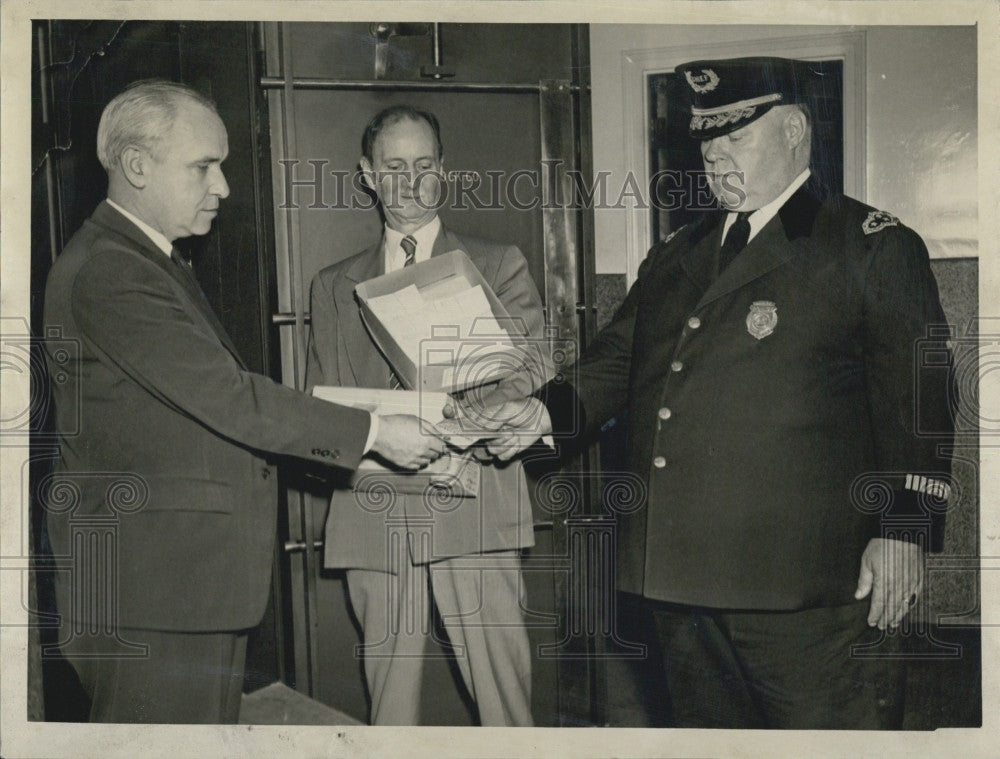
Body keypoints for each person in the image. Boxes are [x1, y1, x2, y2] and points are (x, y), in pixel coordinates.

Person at [468, 57, 955, 728]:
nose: (716, 158)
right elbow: (618, 360)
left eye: (736, 138)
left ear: (793, 131)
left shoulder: (869, 246)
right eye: (707, 142)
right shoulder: (680, 250)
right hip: (681, 579)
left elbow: (921, 400)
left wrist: (903, 530)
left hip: (807, 587)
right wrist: (540, 413)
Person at [42, 80, 445, 724]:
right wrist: (375, 431)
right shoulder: (113, 271)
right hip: (154, 594)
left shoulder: (147, 260)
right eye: (205, 166)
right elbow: (229, 397)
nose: (224, 186)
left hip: (176, 585)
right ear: (138, 167)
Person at [305, 104, 544, 726]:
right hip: (373, 504)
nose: (409, 183)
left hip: (474, 500)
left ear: (445, 170)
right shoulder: (333, 285)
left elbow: (527, 370)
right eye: (392, 167)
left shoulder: (497, 263)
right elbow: (322, 402)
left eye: (424, 165)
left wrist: (454, 440)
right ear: (366, 175)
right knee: (390, 711)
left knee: (506, 708)